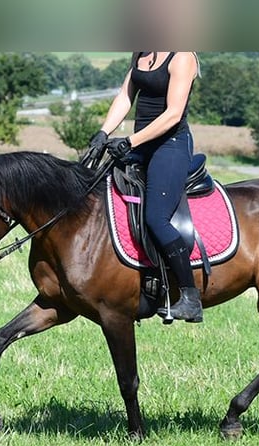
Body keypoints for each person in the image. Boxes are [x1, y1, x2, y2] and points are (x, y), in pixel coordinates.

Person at [87, 51, 202, 323]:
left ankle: (189, 296)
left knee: (155, 217)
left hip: (170, 146)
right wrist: (104, 133)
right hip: (141, 145)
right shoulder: (140, 53)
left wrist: (130, 141)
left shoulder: (182, 56)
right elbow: (125, 96)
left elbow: (173, 114)